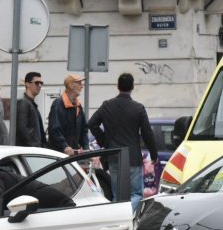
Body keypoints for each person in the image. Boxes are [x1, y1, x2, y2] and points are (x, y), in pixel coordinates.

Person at [89, 73, 158, 212]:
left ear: (117, 86)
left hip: (114, 156)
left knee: (117, 196)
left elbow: (92, 123)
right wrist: (154, 155)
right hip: (132, 158)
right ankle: (125, 215)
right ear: (132, 87)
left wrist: (104, 141)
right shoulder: (138, 108)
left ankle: (117, 216)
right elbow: (147, 134)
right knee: (136, 194)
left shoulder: (107, 105)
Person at [48, 74, 89, 155]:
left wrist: (86, 149)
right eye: (79, 83)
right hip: (59, 154)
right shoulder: (58, 104)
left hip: (73, 153)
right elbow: (54, 128)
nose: (82, 86)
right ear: (71, 85)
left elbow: (83, 130)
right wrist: (65, 146)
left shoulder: (78, 106)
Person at [15, 71, 47, 147]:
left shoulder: (31, 103)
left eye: (41, 83)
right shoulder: (23, 103)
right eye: (37, 83)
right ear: (27, 84)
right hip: (29, 150)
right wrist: (33, 146)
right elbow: (22, 128)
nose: (39, 85)